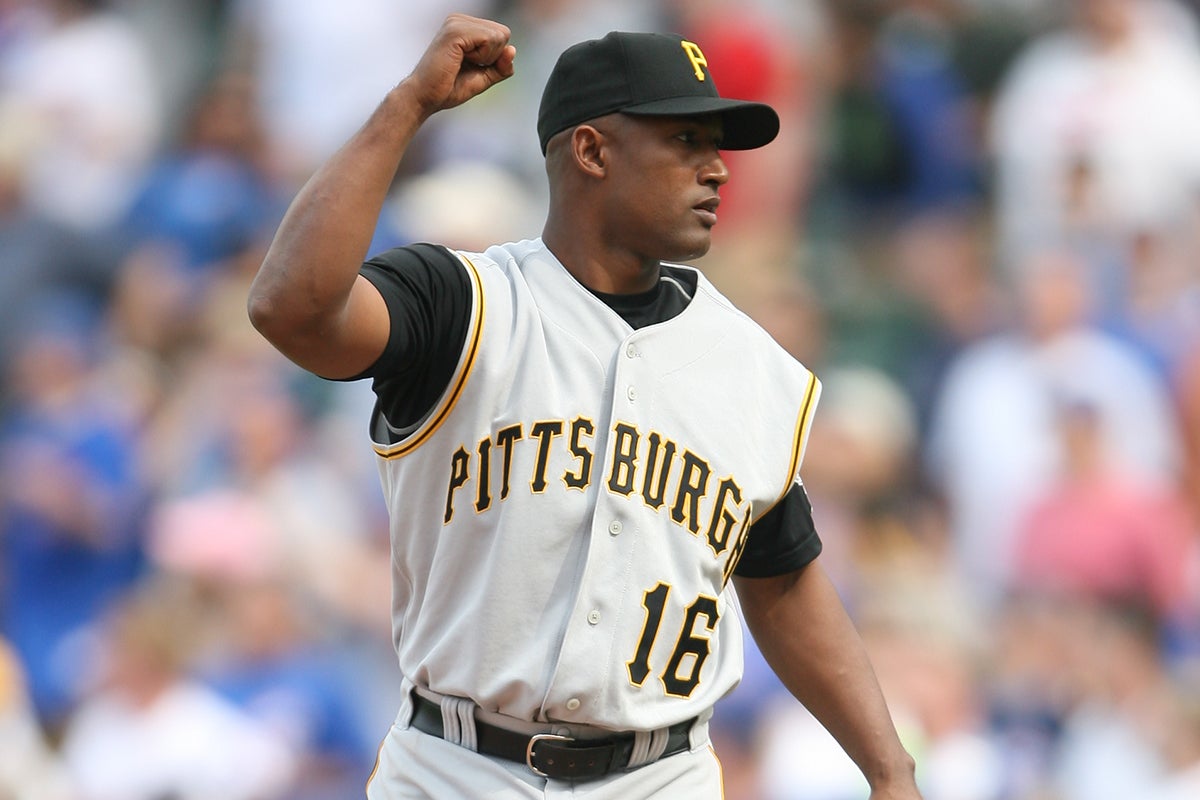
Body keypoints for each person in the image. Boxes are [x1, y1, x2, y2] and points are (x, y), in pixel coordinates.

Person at [247, 13, 921, 799]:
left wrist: (889, 769)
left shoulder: (752, 366)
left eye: (717, 145)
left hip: (658, 776)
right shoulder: (463, 305)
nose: (719, 170)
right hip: (454, 770)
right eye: (684, 142)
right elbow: (289, 308)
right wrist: (407, 106)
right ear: (592, 151)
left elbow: (782, 578)